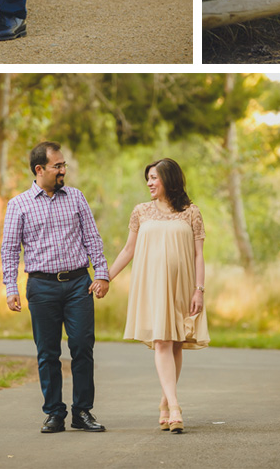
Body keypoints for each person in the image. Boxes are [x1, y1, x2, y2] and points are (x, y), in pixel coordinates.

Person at [0, 141, 111, 433]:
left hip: (78, 285)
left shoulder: (76, 198)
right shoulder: (18, 205)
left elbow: (93, 238)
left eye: (63, 165)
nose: (63, 170)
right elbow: (10, 250)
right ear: (40, 169)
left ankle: (82, 411)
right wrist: (10, 286)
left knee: (82, 347)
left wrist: (102, 274)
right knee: (48, 352)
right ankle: (54, 413)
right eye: (57, 166)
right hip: (41, 287)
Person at [108, 158, 208, 434]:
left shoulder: (191, 212)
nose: (150, 183)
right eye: (148, 179)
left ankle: (165, 400)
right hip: (152, 284)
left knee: (175, 343)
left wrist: (199, 290)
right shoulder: (141, 212)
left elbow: (199, 255)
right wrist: (105, 276)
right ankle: (175, 407)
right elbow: (128, 250)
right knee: (162, 340)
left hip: (183, 285)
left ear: (169, 179)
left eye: (154, 178)